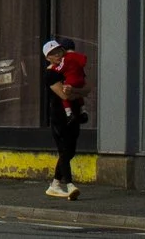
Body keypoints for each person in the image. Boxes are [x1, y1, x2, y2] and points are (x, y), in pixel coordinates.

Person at [41, 39, 81, 200]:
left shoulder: (68, 69)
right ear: (47, 58)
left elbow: (87, 88)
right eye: (52, 53)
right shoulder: (51, 74)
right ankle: (70, 185)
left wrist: (77, 91)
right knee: (64, 151)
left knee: (70, 151)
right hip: (59, 117)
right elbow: (64, 94)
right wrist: (76, 92)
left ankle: (55, 185)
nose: (57, 55)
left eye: (59, 51)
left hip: (74, 114)